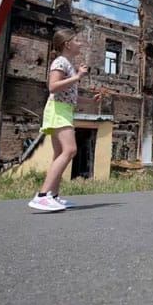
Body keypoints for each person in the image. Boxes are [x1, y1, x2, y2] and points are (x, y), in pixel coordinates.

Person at [28, 28, 101, 211]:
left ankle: (53, 195)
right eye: (77, 40)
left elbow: (70, 96)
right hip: (58, 110)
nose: (80, 43)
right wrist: (77, 77)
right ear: (67, 44)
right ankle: (42, 196)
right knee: (70, 150)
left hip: (64, 109)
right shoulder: (60, 62)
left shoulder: (67, 63)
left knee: (59, 153)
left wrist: (90, 101)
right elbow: (52, 87)